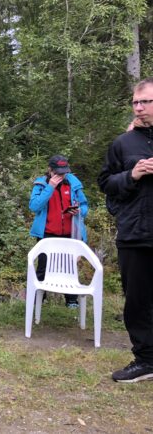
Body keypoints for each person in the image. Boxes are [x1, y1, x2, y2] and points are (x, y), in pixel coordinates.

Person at [98, 77, 153, 383]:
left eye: (145, 101)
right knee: (137, 301)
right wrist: (131, 175)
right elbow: (106, 184)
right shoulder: (123, 143)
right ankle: (145, 360)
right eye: (135, 101)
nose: (139, 107)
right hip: (135, 234)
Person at [29, 155, 89, 308]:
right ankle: (37, 300)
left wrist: (79, 211)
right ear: (50, 170)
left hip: (70, 233)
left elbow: (84, 206)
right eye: (58, 172)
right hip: (47, 234)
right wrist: (50, 187)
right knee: (43, 267)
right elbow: (34, 206)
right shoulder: (41, 184)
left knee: (70, 267)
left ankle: (71, 300)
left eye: (64, 172)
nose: (61, 175)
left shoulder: (73, 183)